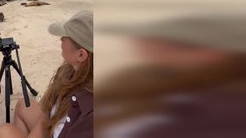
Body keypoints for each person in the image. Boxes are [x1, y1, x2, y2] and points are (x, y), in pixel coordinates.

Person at [96, 12, 246, 138]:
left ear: (215, 53)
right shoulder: (145, 77)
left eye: (171, 44)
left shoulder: (226, 111)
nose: (147, 49)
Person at [0, 10, 93, 138]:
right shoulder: (69, 71)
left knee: (4, 132)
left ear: (80, 54)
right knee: (23, 104)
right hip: (53, 125)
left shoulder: (90, 114)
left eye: (66, 37)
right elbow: (48, 112)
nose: (61, 39)